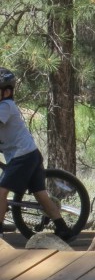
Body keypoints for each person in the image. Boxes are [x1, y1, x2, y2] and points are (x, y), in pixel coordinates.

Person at [0, 68, 71, 240]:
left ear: (7, 91)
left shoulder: (6, 106)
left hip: (22, 157)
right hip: (30, 154)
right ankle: (63, 228)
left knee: (1, 192)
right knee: (41, 195)